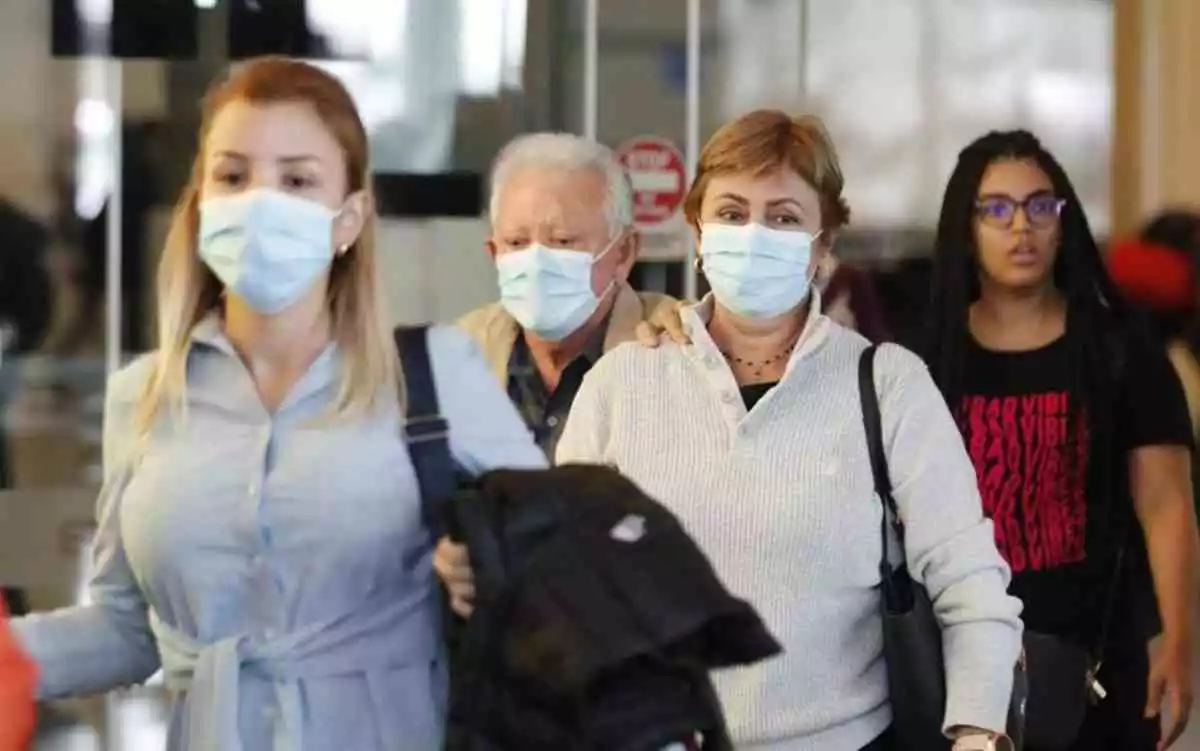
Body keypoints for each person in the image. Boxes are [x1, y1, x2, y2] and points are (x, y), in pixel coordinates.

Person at [438, 109, 1022, 750]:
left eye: (784, 218)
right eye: (732, 213)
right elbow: (563, 598)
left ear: (823, 246)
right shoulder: (621, 381)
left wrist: (978, 731)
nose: (753, 235)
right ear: (696, 232)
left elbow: (970, 584)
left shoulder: (886, 384)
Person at [5, 56, 544, 751]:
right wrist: (9, 654)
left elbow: (557, 569)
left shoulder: (436, 375)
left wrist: (489, 569)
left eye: (297, 179)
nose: (261, 199)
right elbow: (129, 627)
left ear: (348, 218)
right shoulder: (144, 396)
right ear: (200, 205)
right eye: (233, 175)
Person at [922, 130, 1197, 750]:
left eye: (1040, 206)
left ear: (1062, 220)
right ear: (967, 226)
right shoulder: (928, 360)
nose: (1021, 226)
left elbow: (1167, 505)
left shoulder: (1121, 351)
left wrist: (1179, 643)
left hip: (1101, 659)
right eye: (997, 208)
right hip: (963, 659)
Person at [457, 132, 676, 458]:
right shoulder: (462, 354)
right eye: (516, 243)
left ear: (623, 253)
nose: (537, 262)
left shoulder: (675, 346)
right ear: (493, 253)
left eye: (562, 241)